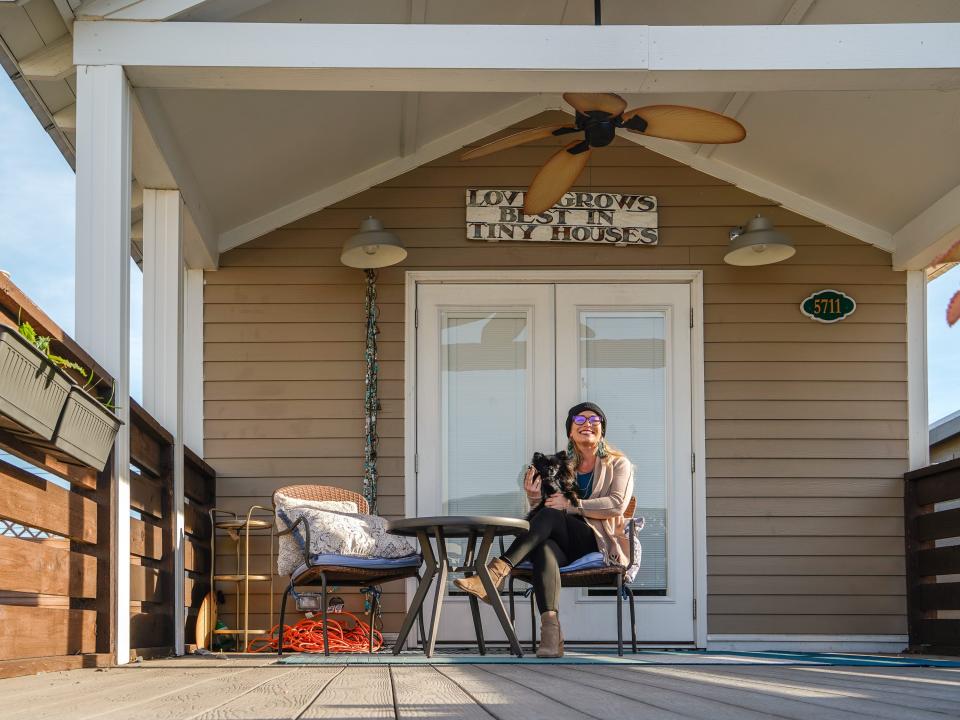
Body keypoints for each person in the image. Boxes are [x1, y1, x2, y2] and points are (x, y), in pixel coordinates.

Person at [453, 401, 634, 658]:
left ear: (602, 430)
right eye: (579, 420)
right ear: (570, 431)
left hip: (596, 541)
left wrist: (572, 506)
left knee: (551, 515)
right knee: (543, 546)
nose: (587, 425)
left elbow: (616, 505)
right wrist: (534, 497)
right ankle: (550, 633)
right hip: (561, 542)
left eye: (594, 420)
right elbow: (546, 510)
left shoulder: (618, 464)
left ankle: (494, 573)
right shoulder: (560, 463)